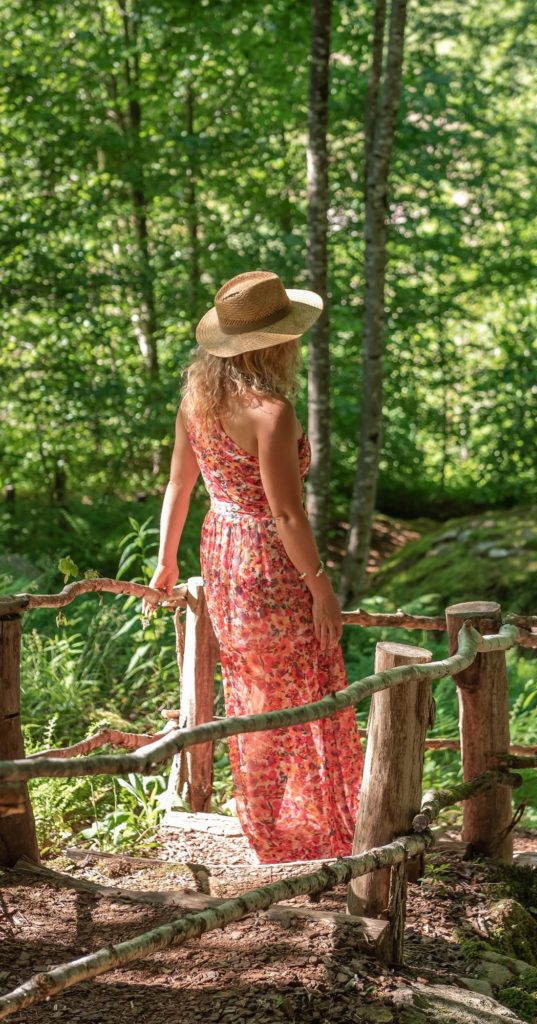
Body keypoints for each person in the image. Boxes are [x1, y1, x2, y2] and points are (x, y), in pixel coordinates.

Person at [143, 270, 364, 863]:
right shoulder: (272, 413)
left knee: (255, 689)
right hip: (270, 560)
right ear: (276, 344)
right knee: (303, 681)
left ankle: (267, 826)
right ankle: (310, 829)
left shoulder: (197, 402)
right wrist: (321, 587)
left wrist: (166, 562)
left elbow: (178, 486)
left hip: (222, 552)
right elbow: (287, 515)